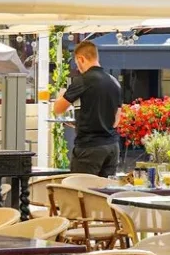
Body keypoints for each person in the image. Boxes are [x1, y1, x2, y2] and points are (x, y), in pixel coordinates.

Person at [52, 40, 124, 177]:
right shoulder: (114, 82)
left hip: (89, 147)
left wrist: (61, 94)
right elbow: (116, 120)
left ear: (81, 59)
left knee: (80, 191)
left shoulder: (83, 81)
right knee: (103, 193)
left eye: (76, 63)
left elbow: (58, 108)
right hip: (112, 147)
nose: (77, 67)